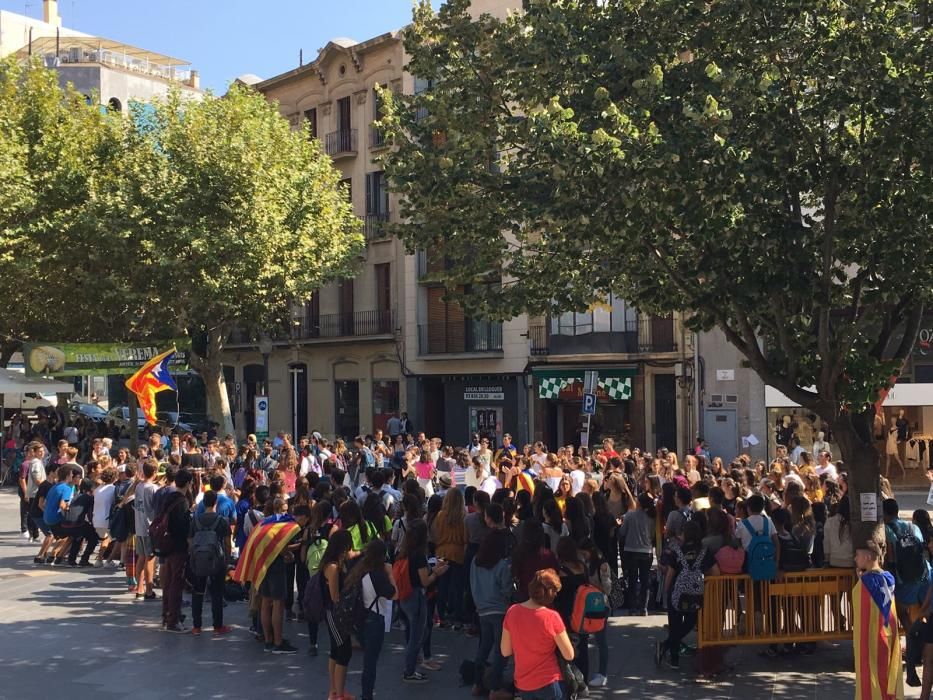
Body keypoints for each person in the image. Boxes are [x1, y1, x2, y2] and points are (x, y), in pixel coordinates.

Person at [501, 568, 575, 700]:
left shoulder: (512, 612)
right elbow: (569, 654)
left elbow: (505, 651)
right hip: (549, 681)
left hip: (524, 683)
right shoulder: (551, 617)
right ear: (551, 593)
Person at [657, 520, 719, 669]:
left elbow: (670, 574)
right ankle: (667, 645)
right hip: (696, 595)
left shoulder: (677, 551)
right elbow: (716, 572)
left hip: (676, 594)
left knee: (675, 624)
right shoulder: (705, 551)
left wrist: (666, 592)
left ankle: (674, 658)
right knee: (690, 622)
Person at [345, 539, 396, 700]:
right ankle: (367, 695)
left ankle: (366, 694)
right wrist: (390, 574)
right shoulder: (379, 575)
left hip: (360, 619)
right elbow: (395, 594)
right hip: (375, 620)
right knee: (370, 663)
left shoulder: (359, 571)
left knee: (368, 660)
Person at [398, 518, 448, 682]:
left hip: (405, 595)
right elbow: (425, 580)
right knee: (417, 635)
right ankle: (409, 670)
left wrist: (432, 569)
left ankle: (411, 664)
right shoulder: (419, 555)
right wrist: (437, 573)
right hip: (416, 596)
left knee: (417, 632)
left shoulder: (404, 552)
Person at [853, 541, 903, 699]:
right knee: (886, 675)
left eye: (858, 555)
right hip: (888, 634)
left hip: (872, 636)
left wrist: (861, 580)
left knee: (870, 675)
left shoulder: (865, 584)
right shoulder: (889, 578)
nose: (855, 559)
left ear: (867, 557)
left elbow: (860, 604)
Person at [470, 523, 512, 698]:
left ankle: (477, 682)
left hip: (482, 609)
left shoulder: (475, 561)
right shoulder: (502, 565)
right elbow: (506, 590)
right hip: (499, 610)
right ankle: (495, 687)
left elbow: (472, 583)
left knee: (484, 647)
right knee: (501, 650)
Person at [189, 488, 232, 636]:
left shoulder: (195, 520)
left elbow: (190, 540)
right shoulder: (222, 522)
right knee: (217, 593)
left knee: (197, 592)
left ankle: (196, 626)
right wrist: (226, 561)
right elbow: (227, 543)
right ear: (215, 503)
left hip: (198, 560)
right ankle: (217, 626)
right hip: (216, 561)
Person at [321, 530, 354, 698]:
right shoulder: (333, 567)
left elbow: (354, 554)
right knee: (344, 651)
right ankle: (339, 693)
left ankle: (334, 691)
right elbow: (335, 597)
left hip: (335, 613)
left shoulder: (334, 562)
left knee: (336, 650)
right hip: (335, 614)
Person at [160, 469, 193, 632]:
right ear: (188, 483)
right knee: (176, 582)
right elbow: (183, 528)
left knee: (167, 581)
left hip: (166, 544)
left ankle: (166, 615)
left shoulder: (168, 497)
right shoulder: (182, 502)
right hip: (178, 545)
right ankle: (173, 619)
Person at [620, 492, 656, 616]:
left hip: (631, 549)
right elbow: (652, 535)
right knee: (645, 579)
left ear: (639, 503)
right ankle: (644, 607)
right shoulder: (651, 517)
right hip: (646, 550)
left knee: (633, 579)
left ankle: (633, 607)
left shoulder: (630, 515)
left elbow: (622, 532)